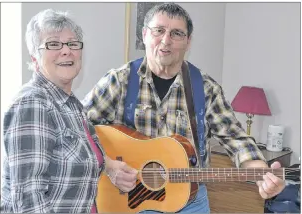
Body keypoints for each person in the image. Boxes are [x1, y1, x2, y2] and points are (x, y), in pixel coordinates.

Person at [82, 3, 285, 213]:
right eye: (158, 30)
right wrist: (109, 165)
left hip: (190, 202)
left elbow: (236, 139)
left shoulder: (206, 89)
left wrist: (261, 173)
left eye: (176, 33)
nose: (166, 40)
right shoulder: (118, 81)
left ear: (188, 42)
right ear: (144, 35)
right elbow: (77, 130)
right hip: (128, 200)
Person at [0, 9, 137, 213]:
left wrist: (109, 167)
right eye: (53, 44)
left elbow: (75, 158)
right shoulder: (33, 104)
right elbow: (29, 201)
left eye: (73, 43)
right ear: (35, 57)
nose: (66, 51)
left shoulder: (71, 105)